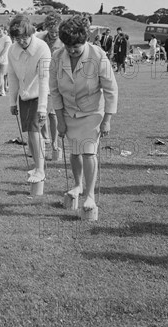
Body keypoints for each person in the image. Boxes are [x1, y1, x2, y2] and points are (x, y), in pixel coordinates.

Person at [50, 15, 118, 212]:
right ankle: (77, 185)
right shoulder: (56, 57)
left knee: (88, 151)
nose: (71, 51)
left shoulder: (98, 56)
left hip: (92, 112)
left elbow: (111, 89)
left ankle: (89, 196)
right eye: (67, 46)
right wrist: (60, 120)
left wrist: (107, 120)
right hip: (69, 112)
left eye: (76, 47)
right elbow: (54, 91)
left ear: (85, 40)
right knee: (74, 151)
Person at [7, 14, 51, 184]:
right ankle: (37, 165)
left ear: (31, 33)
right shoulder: (12, 50)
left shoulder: (42, 48)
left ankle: (41, 170)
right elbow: (12, 76)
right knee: (29, 135)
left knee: (34, 132)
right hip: (24, 96)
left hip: (41, 94)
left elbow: (44, 78)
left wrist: (42, 107)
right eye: (18, 38)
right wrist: (12, 101)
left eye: (25, 37)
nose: (22, 41)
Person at [36, 11, 63, 160]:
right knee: (41, 113)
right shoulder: (40, 39)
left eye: (56, 32)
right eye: (51, 31)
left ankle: (54, 144)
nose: (54, 34)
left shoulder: (63, 42)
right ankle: (40, 142)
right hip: (40, 80)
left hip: (56, 81)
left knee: (52, 114)